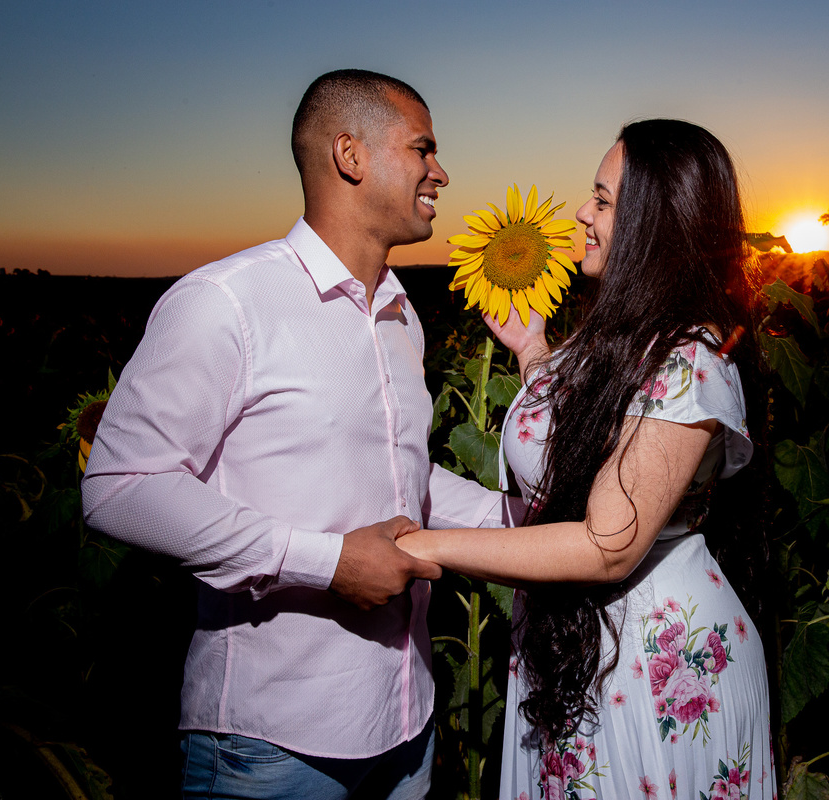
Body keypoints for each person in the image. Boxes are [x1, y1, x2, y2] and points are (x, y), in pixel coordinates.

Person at [81, 70, 518, 800]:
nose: (440, 172)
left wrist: (524, 522)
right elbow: (119, 488)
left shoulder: (400, 317)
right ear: (350, 155)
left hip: (405, 729)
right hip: (273, 745)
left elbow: (400, 477)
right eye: (423, 149)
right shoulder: (227, 301)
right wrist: (328, 563)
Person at [395, 119, 775, 799]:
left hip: (652, 670)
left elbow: (607, 545)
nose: (580, 213)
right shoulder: (613, 338)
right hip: (584, 656)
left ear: (653, 224)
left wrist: (420, 547)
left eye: (602, 200)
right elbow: (572, 454)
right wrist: (531, 349)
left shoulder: (687, 359)